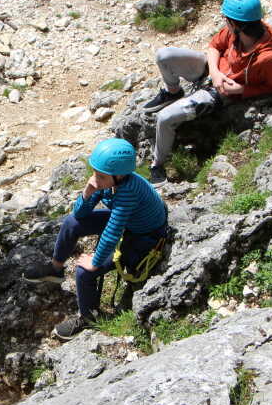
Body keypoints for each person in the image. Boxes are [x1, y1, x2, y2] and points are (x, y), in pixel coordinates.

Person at [23, 138, 168, 340]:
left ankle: (88, 317)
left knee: (84, 272)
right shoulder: (108, 182)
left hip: (143, 237)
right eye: (94, 172)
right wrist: (87, 192)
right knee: (71, 222)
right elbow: (80, 214)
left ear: (120, 175)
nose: (95, 178)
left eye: (100, 176)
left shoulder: (128, 191)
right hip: (129, 222)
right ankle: (55, 268)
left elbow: (113, 232)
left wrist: (95, 262)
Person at [143, 0, 272, 185]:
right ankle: (172, 92)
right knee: (164, 55)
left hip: (218, 94)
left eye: (226, 19)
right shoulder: (237, 31)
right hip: (212, 71)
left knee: (164, 118)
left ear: (235, 23)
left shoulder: (267, 59)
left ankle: (157, 165)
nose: (225, 22)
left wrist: (239, 90)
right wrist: (216, 73)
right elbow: (215, 46)